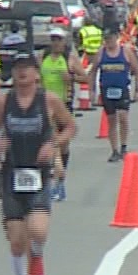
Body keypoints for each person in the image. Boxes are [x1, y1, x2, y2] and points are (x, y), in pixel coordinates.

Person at [0, 52, 76, 275]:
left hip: (38, 173)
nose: (22, 73)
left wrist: (53, 144)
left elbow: (70, 126)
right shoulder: (4, 102)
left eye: (27, 69)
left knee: (37, 231)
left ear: (37, 74)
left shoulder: (48, 101)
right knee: (15, 239)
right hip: (11, 173)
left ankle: (36, 255)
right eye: (17, 69)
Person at [37, 28, 80, 200]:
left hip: (64, 105)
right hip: (45, 106)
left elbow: (86, 78)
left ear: (64, 42)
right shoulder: (43, 57)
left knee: (62, 146)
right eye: (53, 39)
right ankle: (50, 183)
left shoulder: (70, 59)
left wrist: (70, 77)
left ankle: (60, 182)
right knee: (50, 142)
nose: (56, 43)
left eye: (59, 40)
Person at [96, 28, 138, 159]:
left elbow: (136, 70)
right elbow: (93, 72)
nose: (108, 41)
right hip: (106, 90)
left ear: (116, 37)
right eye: (106, 39)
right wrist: (93, 92)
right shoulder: (101, 52)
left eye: (110, 38)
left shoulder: (125, 51)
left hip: (122, 89)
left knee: (123, 118)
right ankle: (114, 150)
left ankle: (124, 146)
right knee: (111, 120)